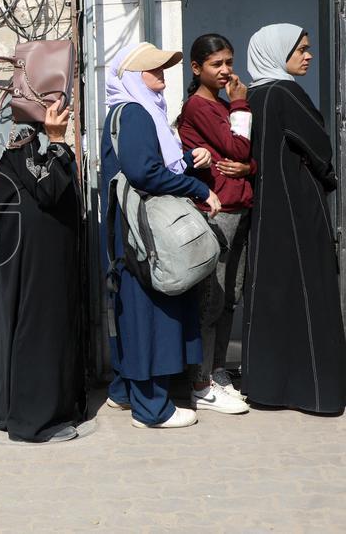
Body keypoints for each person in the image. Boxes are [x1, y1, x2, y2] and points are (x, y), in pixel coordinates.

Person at [101, 42, 221, 429]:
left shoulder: (136, 111)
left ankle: (124, 392)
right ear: (133, 77)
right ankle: (151, 408)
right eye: (154, 71)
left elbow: (150, 165)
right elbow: (143, 173)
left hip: (133, 230)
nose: (163, 78)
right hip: (142, 234)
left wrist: (187, 160)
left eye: (164, 70)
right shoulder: (135, 113)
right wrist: (199, 188)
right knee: (148, 312)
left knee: (137, 309)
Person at [242, 24, 346, 414]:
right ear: (278, 52)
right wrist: (327, 177)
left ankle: (267, 388)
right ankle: (316, 391)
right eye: (300, 49)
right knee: (311, 289)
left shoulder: (250, 96)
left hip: (263, 210)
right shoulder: (285, 93)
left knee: (271, 293)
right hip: (297, 209)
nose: (308, 55)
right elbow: (320, 145)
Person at [0, 102, 88, 443]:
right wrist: (58, 141)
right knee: (36, 329)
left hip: (34, 258)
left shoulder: (21, 140)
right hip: (35, 262)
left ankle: (16, 410)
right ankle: (33, 421)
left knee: (25, 325)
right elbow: (47, 188)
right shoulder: (21, 141)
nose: (61, 112)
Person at [176, 34, 253, 415]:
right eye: (216, 64)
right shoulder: (200, 107)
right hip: (217, 212)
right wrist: (240, 102)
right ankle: (200, 381)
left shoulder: (221, 105)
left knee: (230, 297)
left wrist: (248, 168)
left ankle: (219, 373)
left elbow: (244, 157)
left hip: (239, 209)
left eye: (228, 62)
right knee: (213, 298)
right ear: (196, 68)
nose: (225, 71)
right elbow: (238, 147)